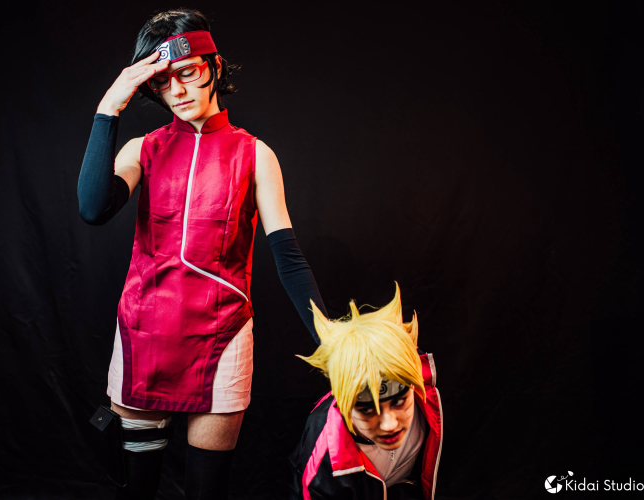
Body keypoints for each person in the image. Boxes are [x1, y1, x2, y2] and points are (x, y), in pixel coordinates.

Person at [77, 8, 327, 500]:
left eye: (188, 72)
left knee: (206, 492)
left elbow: (288, 256)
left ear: (213, 65)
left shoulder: (255, 153)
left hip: (222, 335)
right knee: (135, 488)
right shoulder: (141, 149)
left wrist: (334, 339)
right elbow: (92, 208)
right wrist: (109, 106)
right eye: (162, 82)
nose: (178, 91)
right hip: (144, 332)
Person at [287, 283, 443, 500]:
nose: (389, 425)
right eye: (367, 410)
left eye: (399, 402)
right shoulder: (324, 458)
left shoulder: (424, 386)